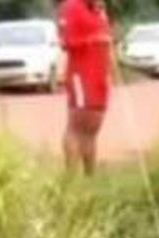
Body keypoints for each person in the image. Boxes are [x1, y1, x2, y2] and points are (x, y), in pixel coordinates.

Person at [58, 0, 112, 175]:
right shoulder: (72, 7)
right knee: (76, 126)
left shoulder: (98, 10)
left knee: (93, 127)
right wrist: (93, 40)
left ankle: (90, 177)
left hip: (99, 78)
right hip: (81, 75)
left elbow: (107, 40)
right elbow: (66, 42)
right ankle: (71, 178)